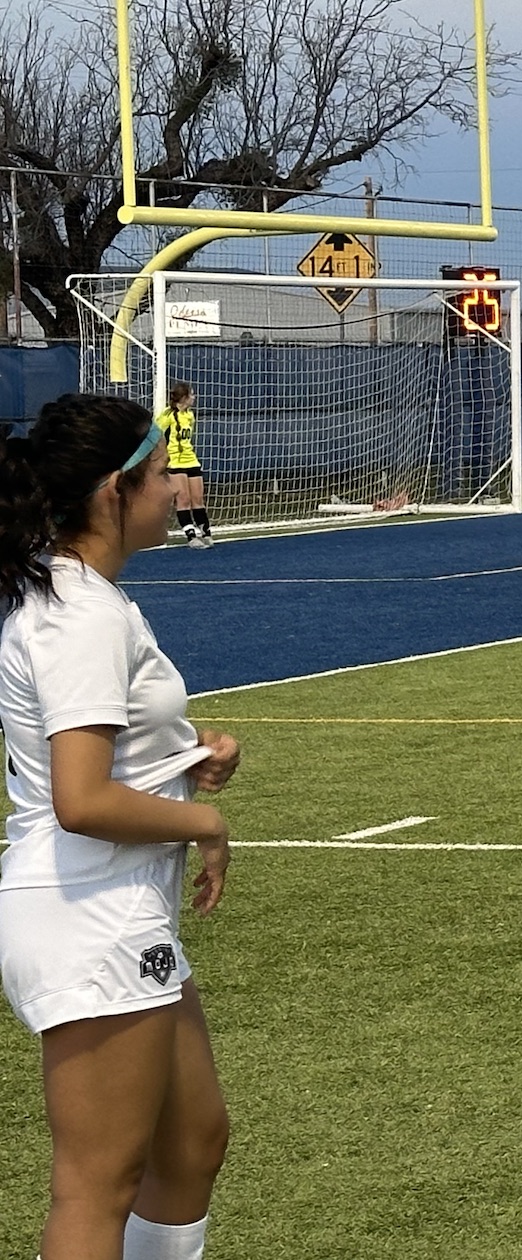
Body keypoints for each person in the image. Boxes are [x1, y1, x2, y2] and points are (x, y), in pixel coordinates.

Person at [0, 393, 241, 1260]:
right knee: (95, 1187)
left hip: (117, 908)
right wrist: (204, 818)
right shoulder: (81, 615)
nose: (179, 490)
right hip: (88, 912)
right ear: (116, 490)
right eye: (163, 473)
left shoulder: (88, 601)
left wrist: (189, 755)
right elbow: (81, 799)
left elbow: (108, 755)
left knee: (192, 1142)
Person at [155, 382, 212, 549]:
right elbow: (155, 436)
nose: (194, 397)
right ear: (184, 398)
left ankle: (206, 533)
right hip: (175, 462)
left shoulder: (190, 416)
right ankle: (191, 536)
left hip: (191, 460)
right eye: (191, 394)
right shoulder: (167, 416)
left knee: (198, 499)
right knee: (183, 499)